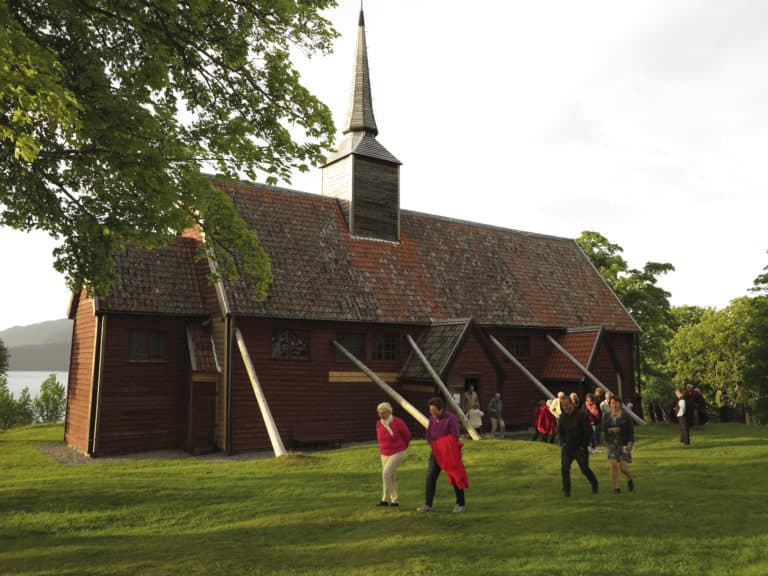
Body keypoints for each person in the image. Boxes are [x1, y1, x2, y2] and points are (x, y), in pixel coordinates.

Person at [417, 397, 469, 513]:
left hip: (450, 453)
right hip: (436, 453)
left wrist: (441, 444)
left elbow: (454, 436)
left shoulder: (451, 419)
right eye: (430, 410)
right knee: (430, 477)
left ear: (441, 409)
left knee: (455, 476)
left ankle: (460, 503)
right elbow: (429, 435)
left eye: (434, 410)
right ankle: (427, 504)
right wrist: (435, 446)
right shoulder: (432, 419)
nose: (432, 413)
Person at [557, 396, 599, 497]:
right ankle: (566, 491)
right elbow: (560, 432)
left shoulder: (581, 415)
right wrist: (562, 442)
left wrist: (583, 445)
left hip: (580, 447)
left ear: (572, 403)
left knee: (584, 469)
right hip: (567, 448)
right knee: (564, 469)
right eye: (563, 405)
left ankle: (594, 483)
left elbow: (588, 432)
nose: (566, 407)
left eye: (567, 404)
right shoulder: (562, 417)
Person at [375, 402, 411, 507]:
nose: (381, 415)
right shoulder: (378, 424)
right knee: (391, 477)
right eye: (379, 413)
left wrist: (403, 446)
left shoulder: (398, 422)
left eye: (383, 412)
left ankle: (387, 499)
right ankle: (392, 501)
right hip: (384, 453)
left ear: (389, 412)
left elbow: (407, 435)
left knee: (386, 473)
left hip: (398, 452)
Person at [603, 396, 635, 494]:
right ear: (610, 405)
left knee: (623, 469)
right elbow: (603, 429)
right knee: (613, 465)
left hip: (624, 443)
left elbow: (631, 431)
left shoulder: (626, 416)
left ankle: (629, 478)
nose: (614, 405)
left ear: (620, 404)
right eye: (612, 403)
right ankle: (616, 488)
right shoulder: (606, 416)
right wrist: (610, 430)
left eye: (616, 403)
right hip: (611, 443)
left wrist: (630, 442)